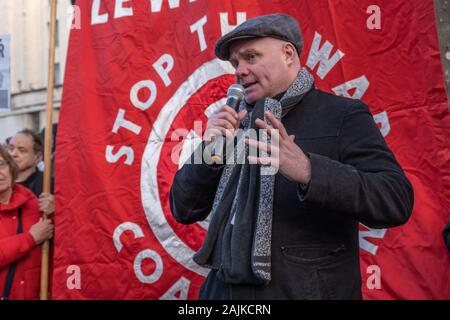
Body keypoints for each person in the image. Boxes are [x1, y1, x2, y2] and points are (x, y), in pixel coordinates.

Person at [169, 13, 414, 300]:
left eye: (251, 57)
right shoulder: (233, 123)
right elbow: (183, 209)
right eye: (236, 62)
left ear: (288, 54)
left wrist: (309, 170)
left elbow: (396, 199)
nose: (240, 70)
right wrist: (210, 151)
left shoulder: (342, 115)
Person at [0, 145, 53, 299]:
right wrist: (30, 238)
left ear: (11, 168)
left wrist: (55, 213)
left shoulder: (33, 204)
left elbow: (64, 247)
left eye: (1, 164)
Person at [7, 129, 54, 216]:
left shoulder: (49, 184)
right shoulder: (3, 184)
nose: (13, 154)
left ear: (37, 157)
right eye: (11, 148)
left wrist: (55, 213)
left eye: (22, 150)